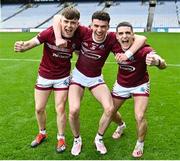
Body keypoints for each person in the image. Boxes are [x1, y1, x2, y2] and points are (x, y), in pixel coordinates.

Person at [53, 10, 147, 156]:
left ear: (108, 27)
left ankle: (99, 138)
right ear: (91, 24)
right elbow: (58, 17)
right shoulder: (83, 31)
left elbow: (141, 38)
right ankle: (77, 140)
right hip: (78, 77)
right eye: (96, 25)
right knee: (73, 110)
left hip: (96, 78)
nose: (99, 29)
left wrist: (127, 54)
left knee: (110, 109)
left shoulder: (111, 39)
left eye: (103, 26)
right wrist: (59, 37)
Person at [14, 7, 80, 153]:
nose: (69, 26)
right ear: (61, 21)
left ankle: (61, 137)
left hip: (62, 77)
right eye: (66, 22)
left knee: (60, 108)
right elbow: (32, 42)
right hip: (44, 75)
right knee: (39, 108)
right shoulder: (49, 32)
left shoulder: (79, 35)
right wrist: (22, 47)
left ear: (77, 24)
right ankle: (42, 133)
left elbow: (79, 51)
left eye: (73, 23)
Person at [110, 21, 167, 158]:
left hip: (140, 84)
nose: (124, 36)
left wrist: (157, 62)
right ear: (116, 36)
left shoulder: (142, 48)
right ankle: (121, 125)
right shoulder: (114, 44)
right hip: (121, 84)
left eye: (128, 33)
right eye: (121, 33)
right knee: (109, 112)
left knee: (140, 116)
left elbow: (161, 61)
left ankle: (140, 143)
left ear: (133, 35)